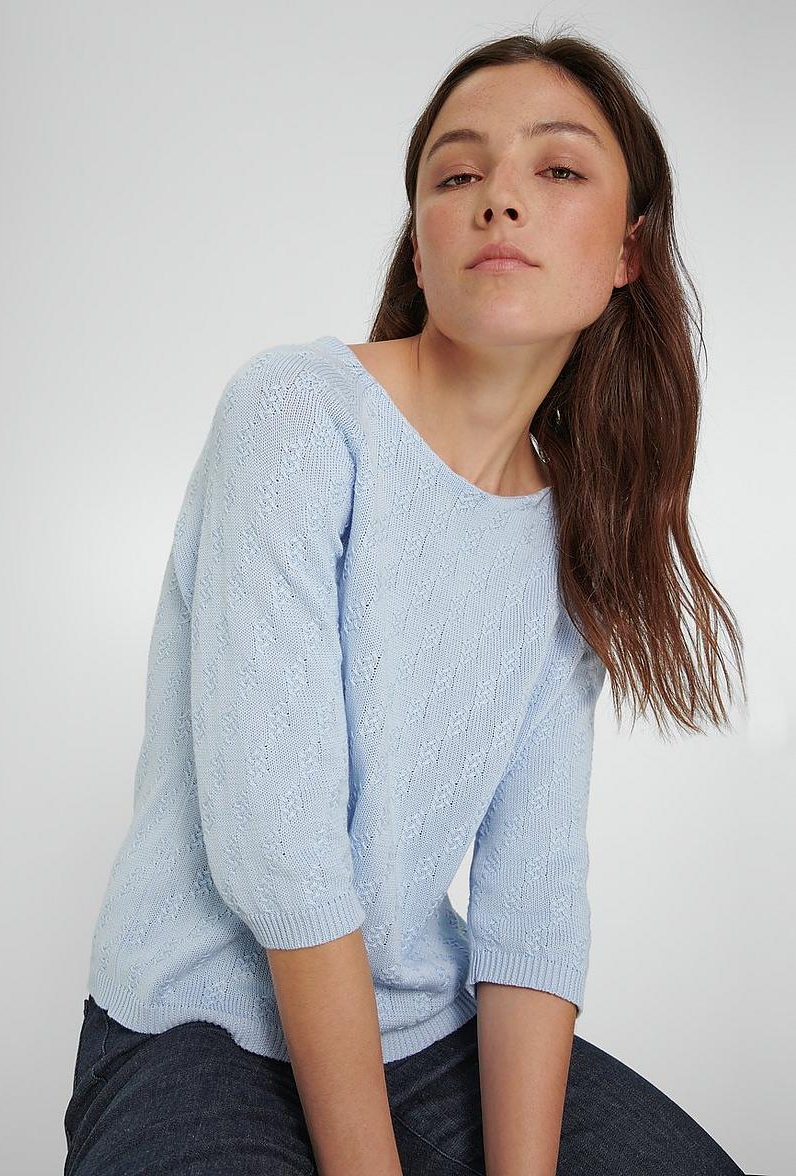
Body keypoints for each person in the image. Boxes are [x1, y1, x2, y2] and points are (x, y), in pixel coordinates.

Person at [63, 28, 749, 1176]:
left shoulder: (571, 529)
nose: (499, 200)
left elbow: (533, 898)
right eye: (457, 173)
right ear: (421, 249)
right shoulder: (296, 413)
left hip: (426, 1038)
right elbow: (282, 854)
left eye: (557, 169)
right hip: (196, 1029)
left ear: (631, 249)